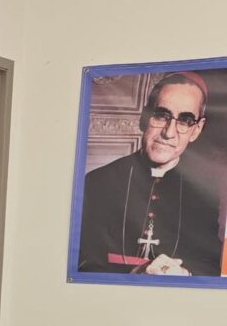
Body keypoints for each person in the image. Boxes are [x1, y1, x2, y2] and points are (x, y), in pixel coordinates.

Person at [78, 72, 223, 276]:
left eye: (185, 120)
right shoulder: (98, 182)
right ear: (144, 117)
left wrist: (185, 275)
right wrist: (135, 274)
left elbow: (212, 266)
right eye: (161, 115)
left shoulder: (205, 192)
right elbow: (80, 263)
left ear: (197, 130)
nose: (169, 133)